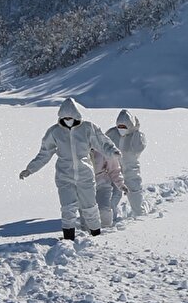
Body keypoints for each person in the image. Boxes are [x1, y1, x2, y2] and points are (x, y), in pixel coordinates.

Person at [19, 98, 121, 241]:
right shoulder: (54, 132)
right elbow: (44, 153)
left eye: (70, 117)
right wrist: (30, 169)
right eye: (65, 118)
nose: (68, 120)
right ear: (60, 117)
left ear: (77, 116)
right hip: (64, 175)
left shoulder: (87, 128)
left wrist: (112, 151)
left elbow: (101, 142)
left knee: (90, 207)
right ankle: (68, 238)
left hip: (85, 174)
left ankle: (96, 235)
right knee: (67, 207)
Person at [105, 109, 146, 217]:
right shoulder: (112, 133)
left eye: (124, 127)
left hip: (131, 168)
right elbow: (103, 146)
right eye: (120, 126)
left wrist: (136, 132)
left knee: (134, 191)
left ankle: (139, 213)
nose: (121, 129)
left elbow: (138, 148)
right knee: (113, 193)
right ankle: (109, 215)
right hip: (114, 168)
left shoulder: (137, 135)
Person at [92, 142, 128, 232]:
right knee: (88, 211)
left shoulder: (103, 149)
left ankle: (107, 230)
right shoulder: (78, 149)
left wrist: (121, 184)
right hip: (84, 185)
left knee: (104, 209)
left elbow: (114, 170)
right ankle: (87, 232)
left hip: (102, 183)